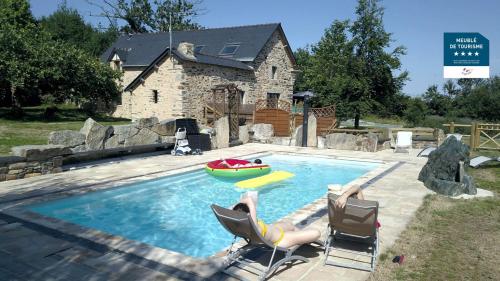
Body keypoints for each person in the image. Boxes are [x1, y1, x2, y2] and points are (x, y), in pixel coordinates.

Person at [233, 192, 321, 248]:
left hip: (274, 229)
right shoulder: (254, 225)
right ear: (249, 214)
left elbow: (231, 210)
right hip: (282, 239)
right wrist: (245, 202)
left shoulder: (237, 223)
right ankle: (300, 238)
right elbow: (250, 202)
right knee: (316, 233)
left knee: (289, 224)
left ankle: (301, 237)